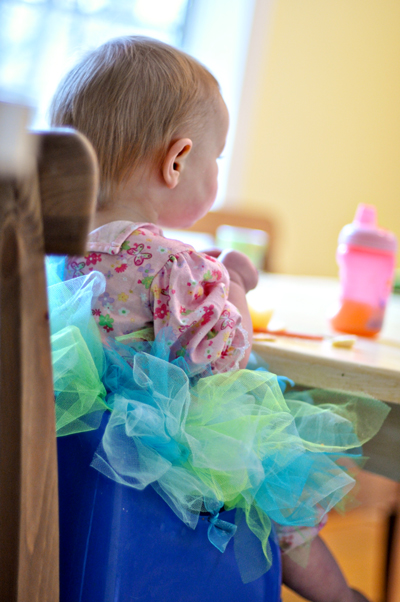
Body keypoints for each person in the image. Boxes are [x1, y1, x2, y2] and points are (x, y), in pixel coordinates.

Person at [48, 36, 385, 602]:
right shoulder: (174, 266)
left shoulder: (54, 253)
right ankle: (343, 597)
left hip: (77, 457)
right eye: (218, 158)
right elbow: (226, 359)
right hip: (170, 457)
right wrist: (233, 287)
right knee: (283, 504)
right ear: (177, 161)